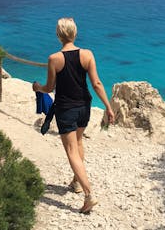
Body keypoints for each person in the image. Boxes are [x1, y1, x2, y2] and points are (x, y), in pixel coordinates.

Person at [32, 17, 115, 213]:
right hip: (84, 106)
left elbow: (50, 87)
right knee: (78, 144)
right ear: (75, 33)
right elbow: (96, 84)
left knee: (71, 151)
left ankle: (89, 195)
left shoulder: (54, 59)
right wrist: (108, 107)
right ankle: (76, 183)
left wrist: (38, 88)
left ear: (58, 35)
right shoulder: (87, 54)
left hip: (66, 109)